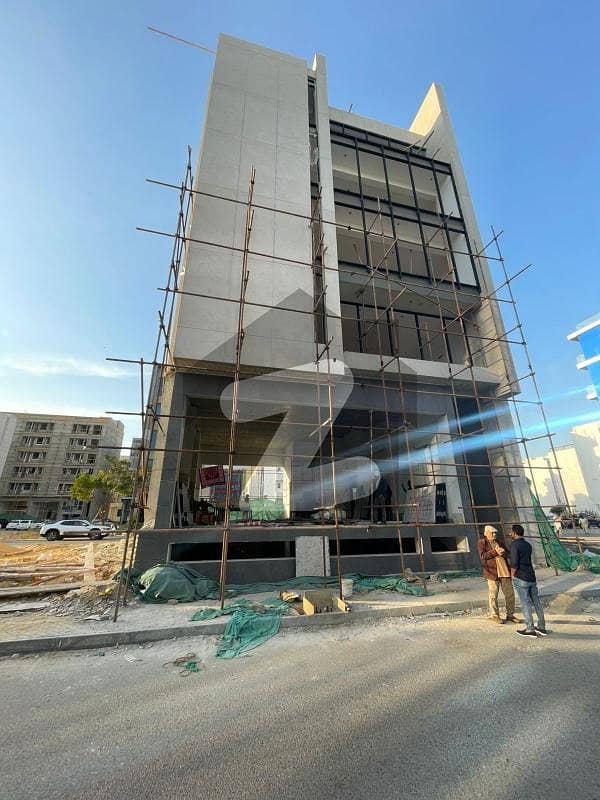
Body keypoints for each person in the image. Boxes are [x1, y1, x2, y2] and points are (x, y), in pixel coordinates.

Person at [510, 523, 547, 638]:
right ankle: (541, 627)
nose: (510, 534)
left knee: (525, 603)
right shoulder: (527, 545)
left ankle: (530, 629)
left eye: (511, 532)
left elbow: (514, 562)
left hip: (521, 577)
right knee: (536, 602)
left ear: (514, 533)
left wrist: (512, 575)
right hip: (531, 576)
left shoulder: (514, 545)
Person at [477, 525, 517, 625]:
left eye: (495, 533)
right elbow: (483, 556)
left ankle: (510, 615)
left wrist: (504, 552)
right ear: (486, 533)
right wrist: (495, 552)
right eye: (492, 533)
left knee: (510, 594)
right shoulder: (482, 542)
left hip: (504, 571)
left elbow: (508, 554)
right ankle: (495, 615)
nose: (494, 534)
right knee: (493, 594)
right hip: (492, 572)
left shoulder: (499, 542)